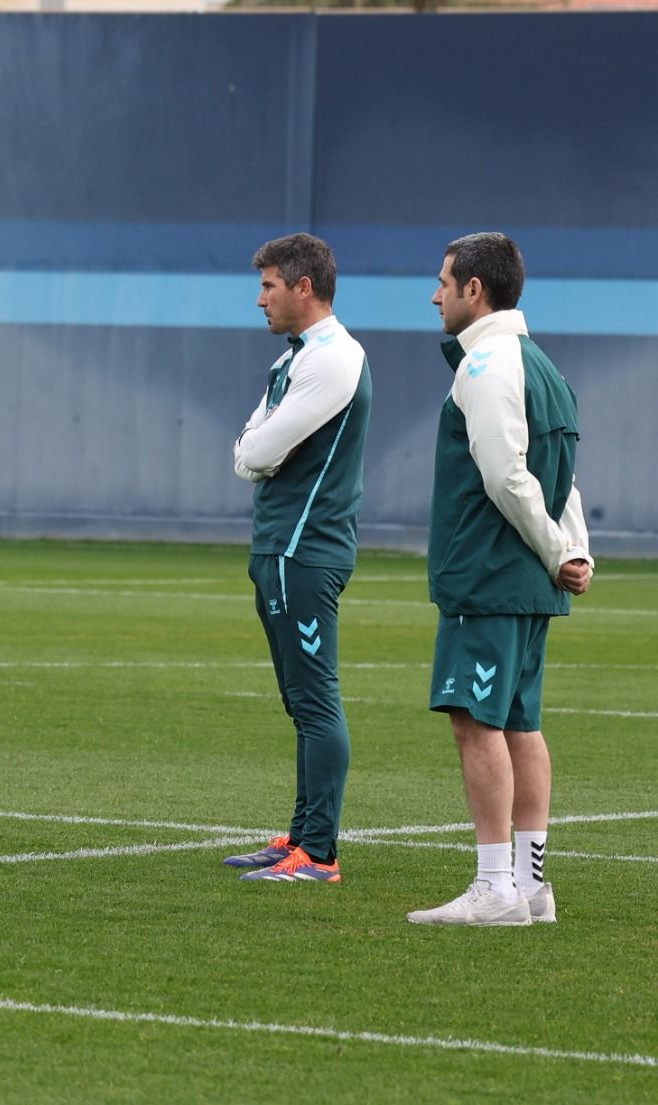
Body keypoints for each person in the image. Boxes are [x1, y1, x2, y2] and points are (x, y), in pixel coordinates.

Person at [407, 233, 591, 926]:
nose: (436, 294)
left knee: (475, 722)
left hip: (487, 574)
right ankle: (530, 883)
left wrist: (553, 551)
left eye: (444, 281)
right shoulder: (545, 366)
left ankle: (495, 888)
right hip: (524, 581)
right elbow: (562, 478)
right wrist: (573, 552)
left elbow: (506, 476)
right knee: (520, 723)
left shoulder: (484, 364)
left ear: (474, 290)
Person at [223, 233, 372, 883]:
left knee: (315, 700)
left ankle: (320, 851)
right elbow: (249, 449)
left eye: (269, 285)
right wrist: (257, 447)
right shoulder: (298, 358)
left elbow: (256, 452)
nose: (260, 299)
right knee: (299, 701)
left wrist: (258, 448)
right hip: (280, 547)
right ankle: (303, 834)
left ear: (303, 287)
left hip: (304, 549)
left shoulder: (336, 358)